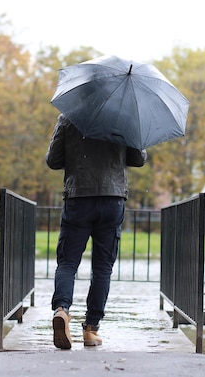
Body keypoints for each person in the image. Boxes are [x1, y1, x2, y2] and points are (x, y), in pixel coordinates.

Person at [45, 113, 147, 349]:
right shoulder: (124, 117)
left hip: (78, 197)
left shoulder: (69, 116)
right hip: (112, 201)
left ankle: (62, 309)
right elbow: (138, 158)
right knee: (102, 268)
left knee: (68, 263)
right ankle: (91, 330)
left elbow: (53, 160)